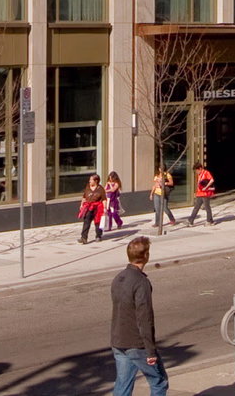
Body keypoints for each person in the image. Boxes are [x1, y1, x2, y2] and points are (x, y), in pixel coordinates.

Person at [108, 235, 165, 396]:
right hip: (137, 344)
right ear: (146, 256)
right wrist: (150, 351)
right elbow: (145, 318)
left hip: (118, 341)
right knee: (159, 382)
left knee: (122, 386)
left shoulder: (118, 278)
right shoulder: (141, 282)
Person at [78, 173, 107, 244]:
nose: (89, 181)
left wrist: (105, 208)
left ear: (96, 181)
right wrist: (82, 204)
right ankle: (84, 237)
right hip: (88, 207)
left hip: (97, 207)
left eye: (91, 179)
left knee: (98, 222)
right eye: (90, 179)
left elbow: (104, 199)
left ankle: (98, 236)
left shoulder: (100, 189)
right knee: (86, 222)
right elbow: (84, 197)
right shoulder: (88, 187)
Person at [186, 162, 216, 227]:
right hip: (199, 193)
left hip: (205, 193)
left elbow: (211, 180)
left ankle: (210, 220)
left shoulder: (206, 173)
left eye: (196, 170)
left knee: (207, 207)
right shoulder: (199, 175)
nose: (196, 172)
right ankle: (191, 220)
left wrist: (206, 187)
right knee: (196, 207)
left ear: (200, 168)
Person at [148, 167, 176, 235]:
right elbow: (154, 185)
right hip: (156, 193)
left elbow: (171, 183)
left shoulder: (167, 175)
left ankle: (172, 219)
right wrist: (151, 193)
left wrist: (165, 183)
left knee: (165, 208)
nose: (160, 169)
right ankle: (157, 222)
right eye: (159, 168)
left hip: (164, 193)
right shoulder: (157, 176)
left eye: (161, 168)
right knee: (157, 208)